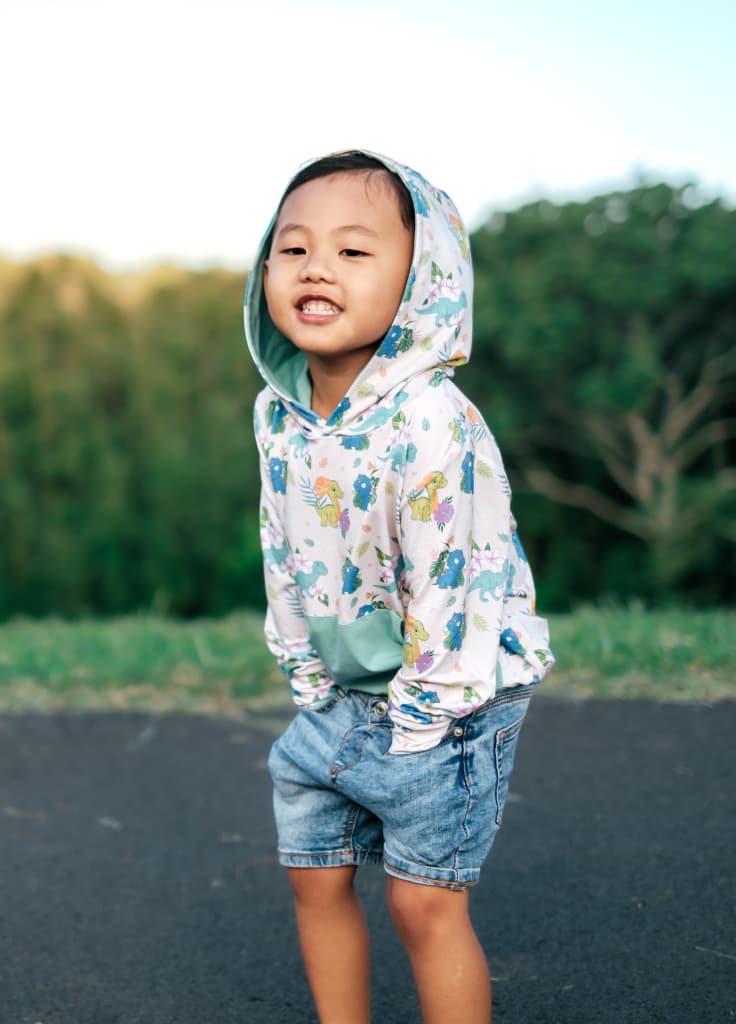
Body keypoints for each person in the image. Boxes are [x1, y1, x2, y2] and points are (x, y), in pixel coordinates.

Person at [245, 150, 554, 1024]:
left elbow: (454, 577)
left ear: (421, 282)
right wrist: (303, 668)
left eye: (352, 251)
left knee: (424, 903)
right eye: (293, 247)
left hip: (447, 699)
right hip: (341, 692)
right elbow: (283, 543)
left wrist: (424, 713)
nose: (315, 267)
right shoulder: (280, 411)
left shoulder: (429, 418)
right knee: (313, 874)